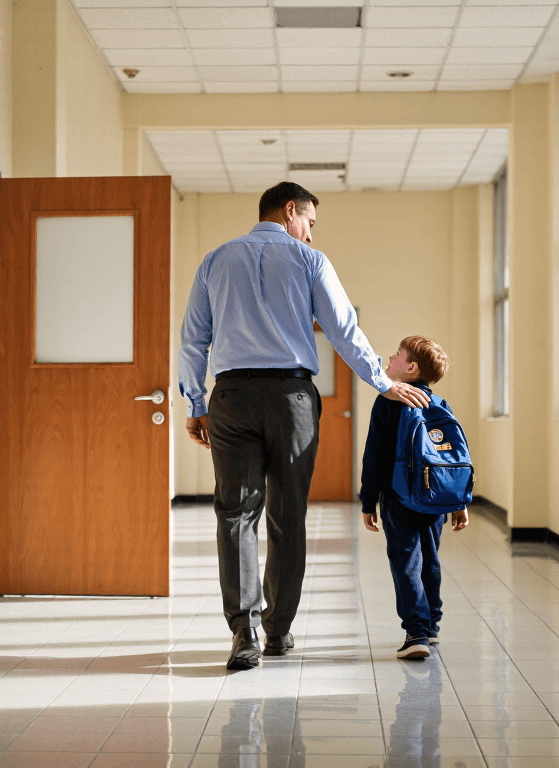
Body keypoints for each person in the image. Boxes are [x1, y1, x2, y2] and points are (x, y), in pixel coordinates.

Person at [178, 182, 431, 670]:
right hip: (292, 397)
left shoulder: (214, 260)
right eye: (309, 222)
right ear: (290, 211)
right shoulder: (310, 261)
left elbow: (194, 339)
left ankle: (244, 632)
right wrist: (383, 383)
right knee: (287, 515)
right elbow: (343, 329)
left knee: (235, 514)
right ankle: (276, 632)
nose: (310, 235)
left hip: (231, 396)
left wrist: (195, 402)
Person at [360, 336, 470, 659]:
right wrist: (459, 503)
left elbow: (374, 456)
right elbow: (452, 459)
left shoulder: (387, 403)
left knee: (406, 561)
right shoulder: (440, 407)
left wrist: (368, 501)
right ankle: (431, 625)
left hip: (399, 499)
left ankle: (416, 632)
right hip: (435, 499)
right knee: (430, 560)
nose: (390, 360)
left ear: (410, 368)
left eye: (396, 356)